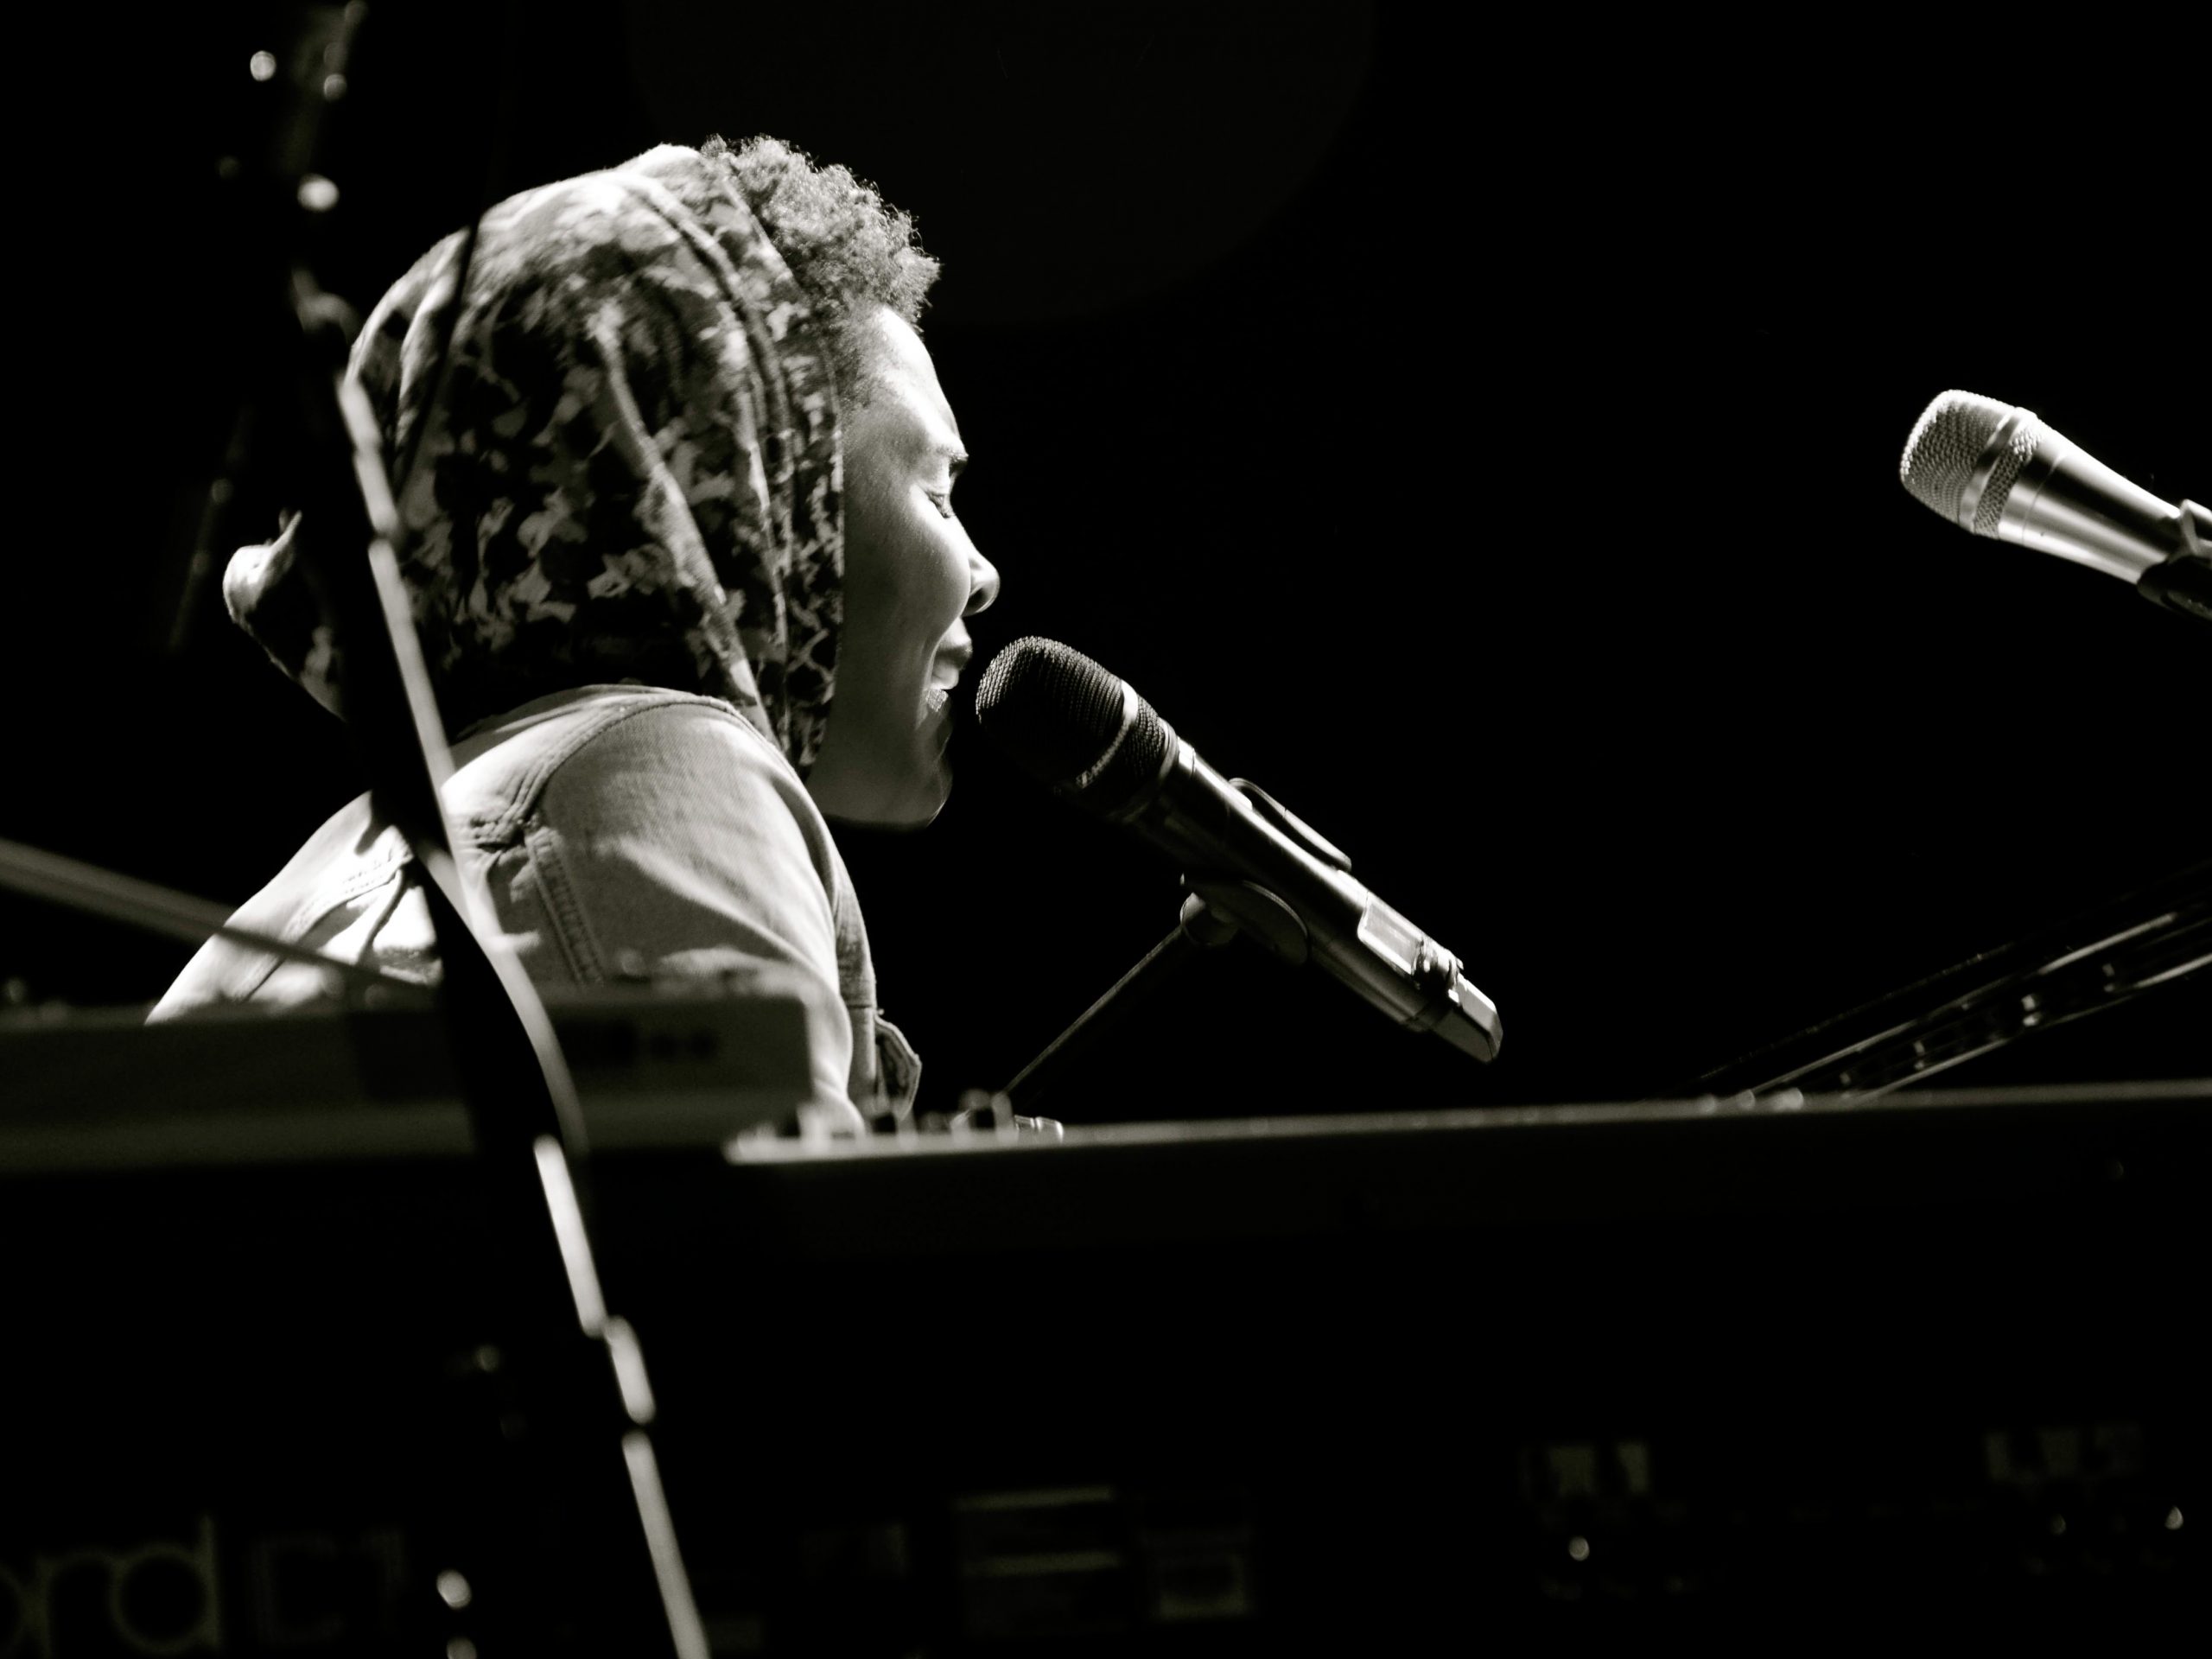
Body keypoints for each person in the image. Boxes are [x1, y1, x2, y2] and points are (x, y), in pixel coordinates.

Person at [150, 137, 1000, 1132]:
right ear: (754, 483)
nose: (983, 575)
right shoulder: (658, 769)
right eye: (938, 492)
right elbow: (768, 1233)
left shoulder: (410, 830)